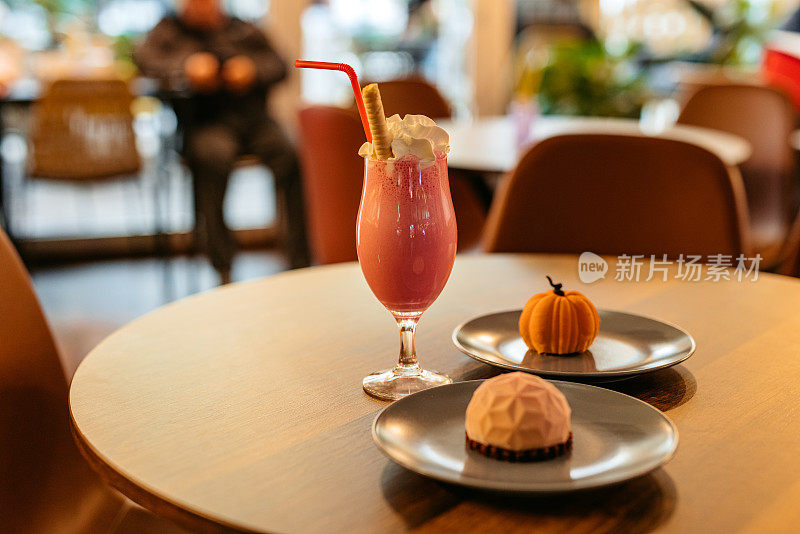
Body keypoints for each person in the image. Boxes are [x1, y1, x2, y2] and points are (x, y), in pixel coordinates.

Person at [134, 0, 309, 283]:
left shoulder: (245, 29)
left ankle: (299, 258)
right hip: (205, 121)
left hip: (255, 120)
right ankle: (222, 263)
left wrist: (251, 70)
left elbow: (279, 64)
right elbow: (145, 62)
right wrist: (185, 68)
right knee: (212, 158)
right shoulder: (168, 31)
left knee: (289, 155)